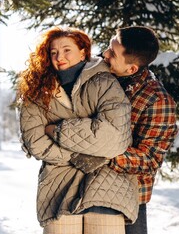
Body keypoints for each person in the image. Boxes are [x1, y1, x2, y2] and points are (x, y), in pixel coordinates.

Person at [17, 26, 139, 234]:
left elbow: (114, 139)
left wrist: (57, 131)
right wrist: (79, 155)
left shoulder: (105, 82)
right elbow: (36, 143)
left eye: (66, 50)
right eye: (53, 52)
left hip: (106, 182)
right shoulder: (35, 91)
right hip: (58, 185)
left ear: (83, 52)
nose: (59, 57)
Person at [101, 26, 178, 234]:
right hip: (90, 188)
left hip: (129, 196)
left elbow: (149, 158)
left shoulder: (157, 101)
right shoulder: (101, 76)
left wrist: (99, 154)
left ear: (132, 69)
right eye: (109, 46)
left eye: (112, 53)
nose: (104, 54)